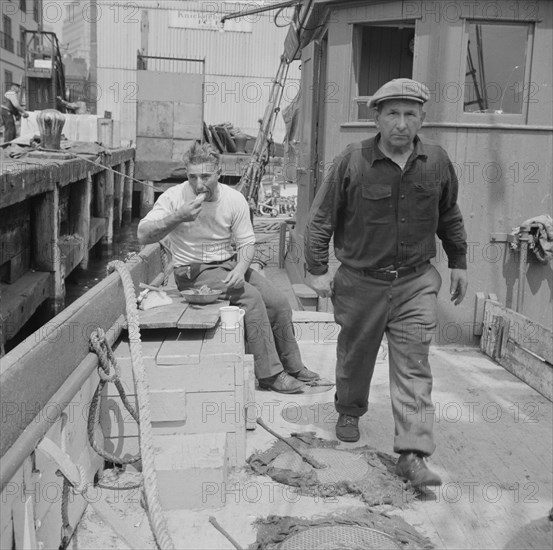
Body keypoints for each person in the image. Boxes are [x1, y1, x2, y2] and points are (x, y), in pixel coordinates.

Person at [305, 78, 468, 488]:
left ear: (422, 119)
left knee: (414, 365)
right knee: (356, 356)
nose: (401, 123)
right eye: (392, 113)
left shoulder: (437, 161)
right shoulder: (352, 161)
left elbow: (449, 214)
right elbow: (321, 217)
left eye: (410, 114)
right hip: (360, 281)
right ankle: (349, 408)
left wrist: (460, 261)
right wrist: (317, 268)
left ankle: (412, 455)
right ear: (375, 117)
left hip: (415, 282)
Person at [137, 142, 320, 394]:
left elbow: (246, 242)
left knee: (278, 301)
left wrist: (240, 267)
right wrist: (178, 216)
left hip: (228, 264)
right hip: (192, 271)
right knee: (251, 298)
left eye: (205, 176)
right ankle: (270, 374)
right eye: (192, 176)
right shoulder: (174, 197)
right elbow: (143, 235)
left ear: (219, 173)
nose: (199, 184)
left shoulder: (234, 199)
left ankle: (294, 366)